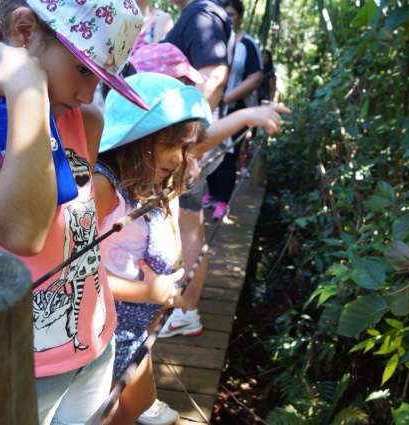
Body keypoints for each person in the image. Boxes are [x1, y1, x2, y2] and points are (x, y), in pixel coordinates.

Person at [0, 1, 147, 424]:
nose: (86, 94)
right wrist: (26, 92)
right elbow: (23, 231)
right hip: (14, 365)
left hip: (92, 343)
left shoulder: (85, 119)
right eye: (83, 70)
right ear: (24, 31)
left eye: (98, 80)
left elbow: (74, 231)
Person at [95, 72, 290, 424]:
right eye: (175, 146)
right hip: (106, 330)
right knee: (109, 410)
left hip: (137, 326)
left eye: (187, 147)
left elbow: (200, 141)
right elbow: (75, 273)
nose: (184, 157)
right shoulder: (104, 185)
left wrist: (247, 116)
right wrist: (147, 291)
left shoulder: (155, 171)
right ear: (139, 139)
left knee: (137, 404)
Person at [161, 0, 236, 337]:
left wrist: (181, 141)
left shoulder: (200, 14)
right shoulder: (201, 14)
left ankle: (186, 310)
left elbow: (214, 79)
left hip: (186, 147)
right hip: (189, 145)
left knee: (188, 223)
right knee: (186, 222)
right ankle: (182, 308)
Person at [205, 0, 263, 221]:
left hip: (233, 107)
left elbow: (255, 76)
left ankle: (222, 201)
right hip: (211, 106)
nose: (228, 18)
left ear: (240, 16)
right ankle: (210, 194)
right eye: (224, 14)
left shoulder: (247, 44)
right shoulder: (214, 39)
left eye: (231, 14)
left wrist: (228, 96)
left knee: (227, 154)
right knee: (207, 149)